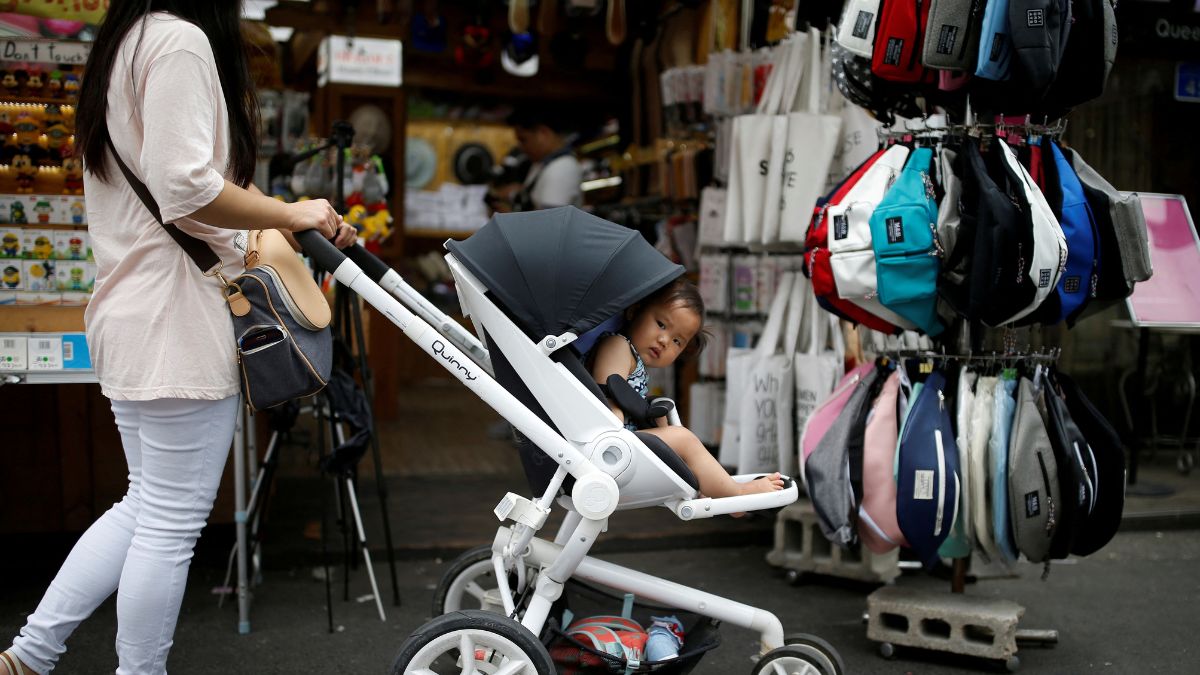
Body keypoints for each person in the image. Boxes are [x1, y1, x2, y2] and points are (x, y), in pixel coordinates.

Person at [1, 3, 356, 674]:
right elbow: (187, 188)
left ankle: (30, 653)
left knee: (145, 505)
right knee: (168, 520)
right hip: (176, 317)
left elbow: (179, 179)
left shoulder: (126, 43)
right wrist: (288, 211)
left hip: (136, 309)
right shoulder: (179, 40)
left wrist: (289, 211)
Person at [590, 278, 785, 500]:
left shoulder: (630, 353)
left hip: (622, 441)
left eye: (677, 341)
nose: (664, 340)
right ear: (635, 310)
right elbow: (606, 392)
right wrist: (615, 424)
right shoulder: (617, 345)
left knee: (667, 421)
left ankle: (706, 482)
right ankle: (736, 493)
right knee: (684, 439)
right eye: (661, 324)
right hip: (611, 442)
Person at [507, 106, 583, 211]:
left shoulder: (562, 168)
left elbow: (548, 223)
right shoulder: (542, 163)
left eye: (523, 139)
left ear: (543, 133)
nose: (521, 147)